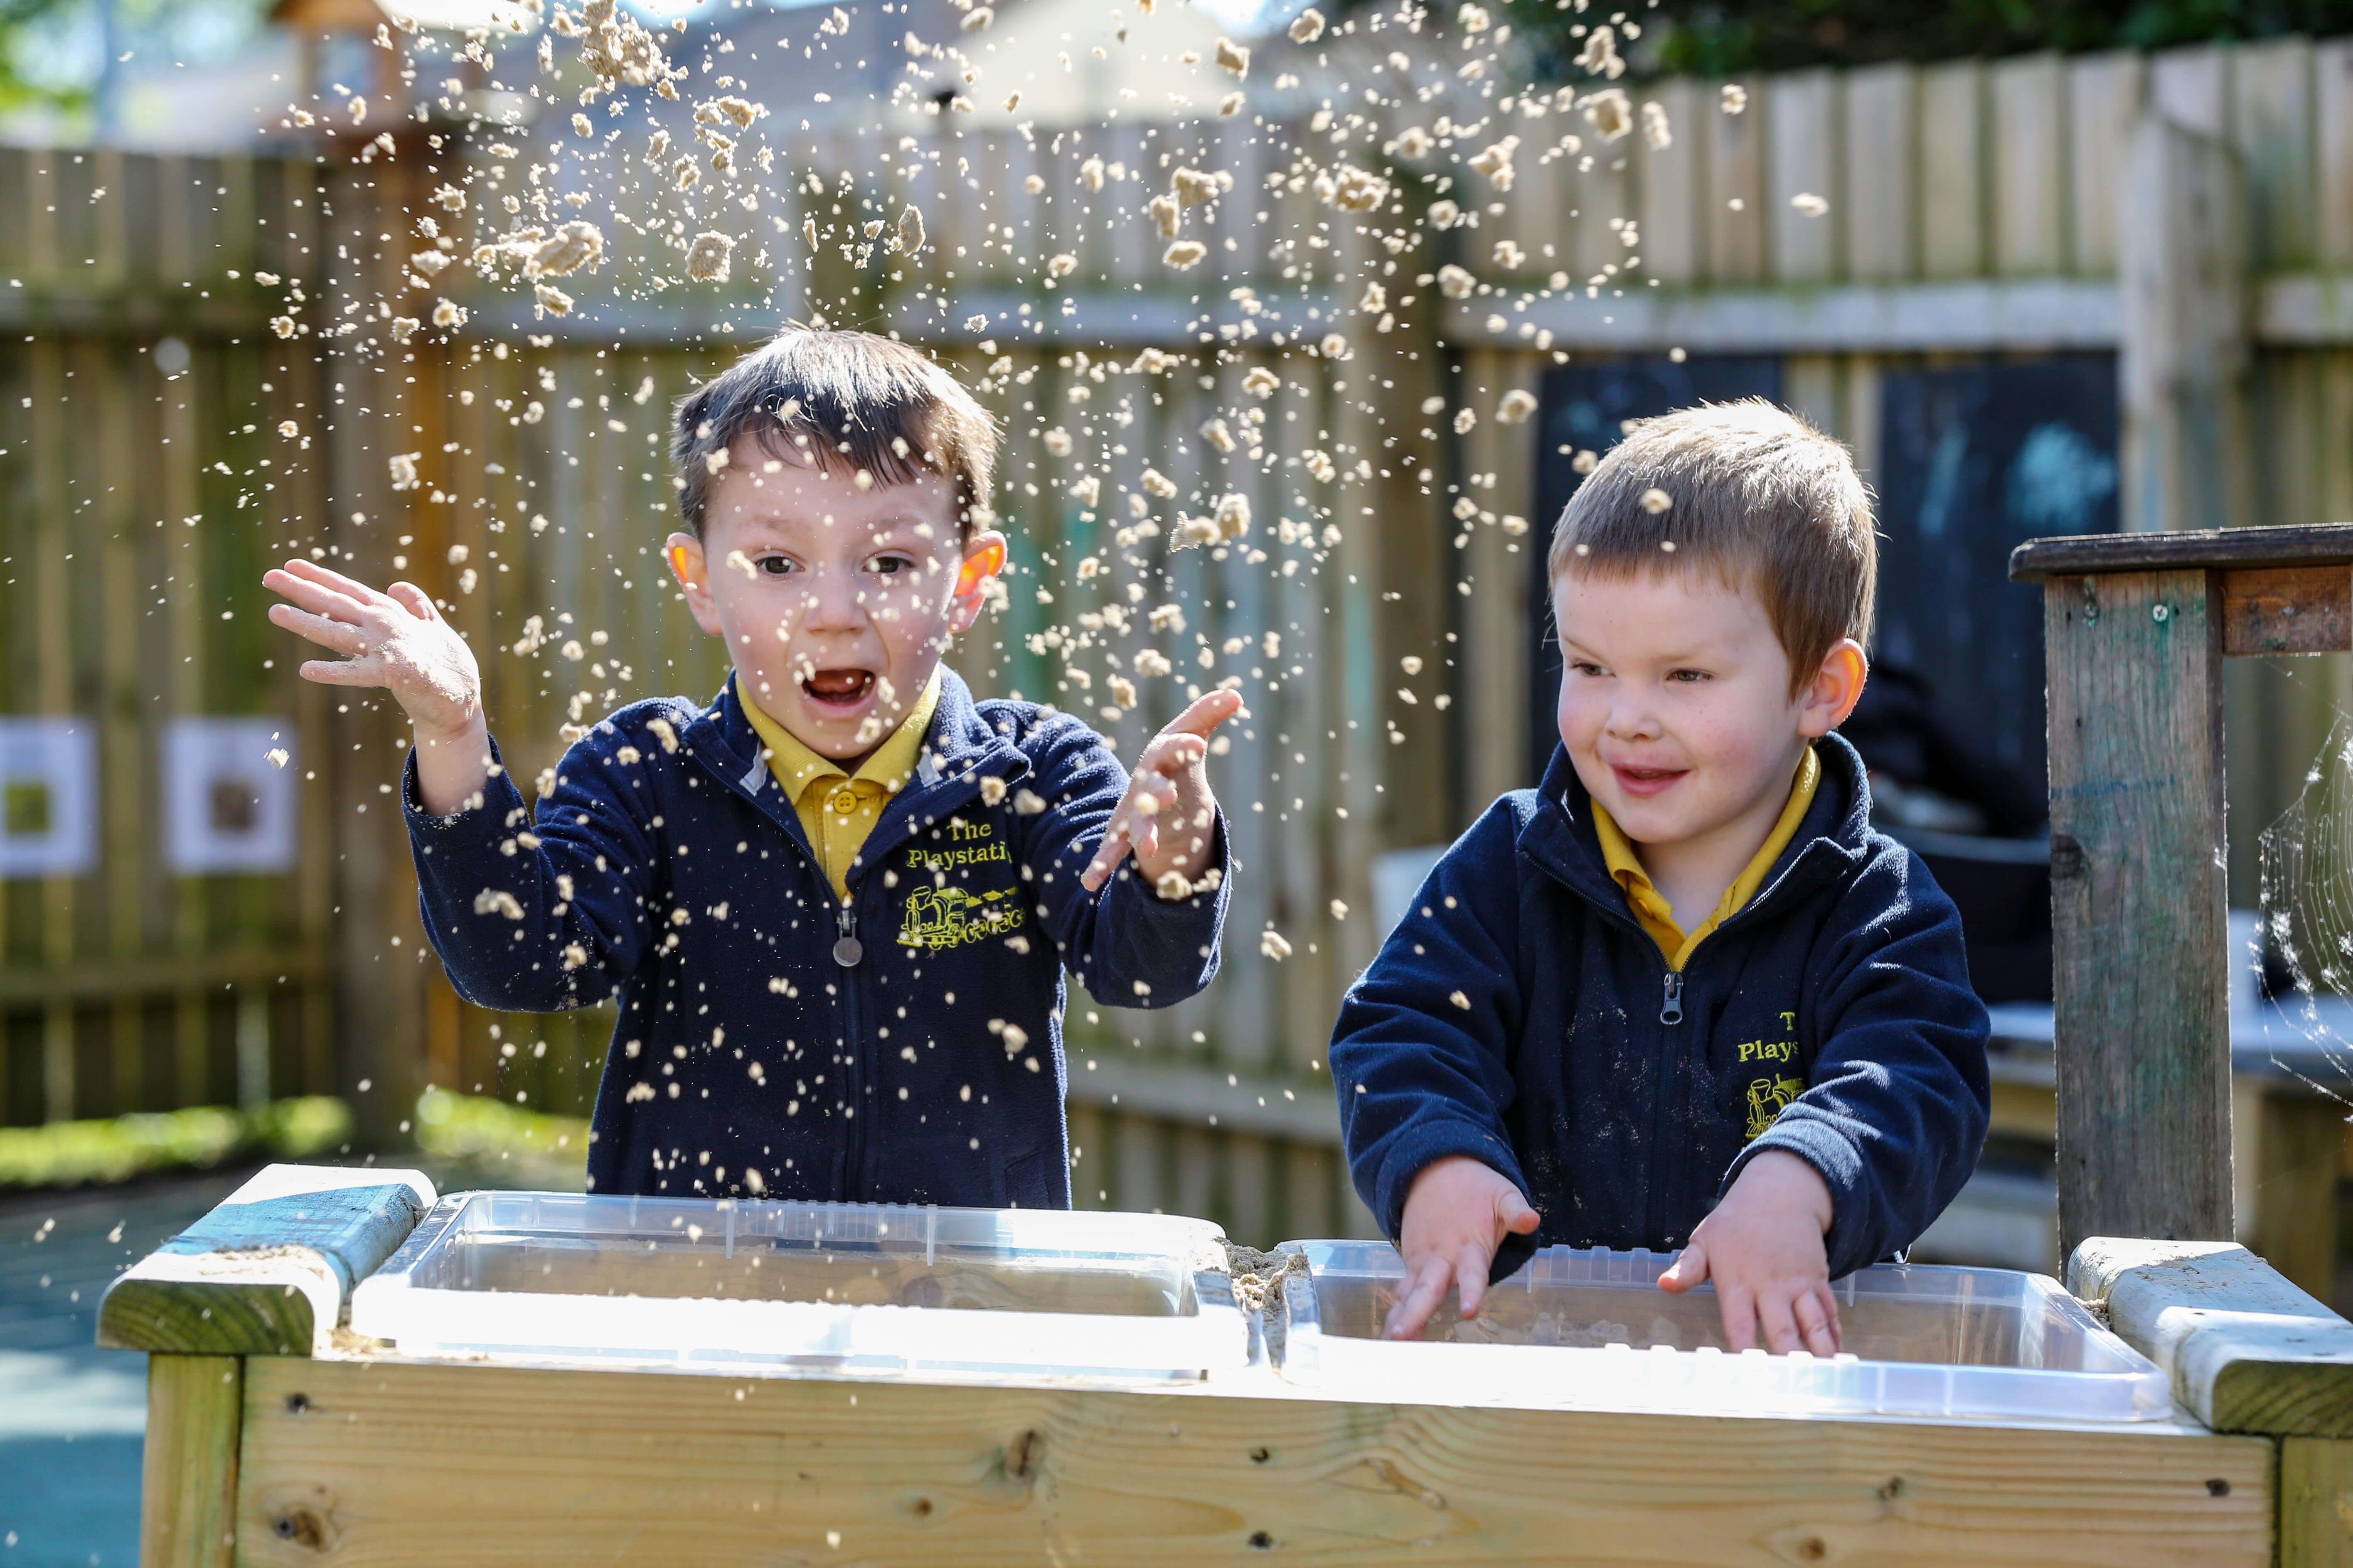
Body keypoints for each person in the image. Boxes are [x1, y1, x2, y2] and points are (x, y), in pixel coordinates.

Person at [263, 327, 1240, 1205]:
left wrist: (1175, 857)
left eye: (890, 563)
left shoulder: (1032, 772)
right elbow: (521, 965)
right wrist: (455, 737)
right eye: (777, 565)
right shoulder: (646, 773)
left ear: (967, 584)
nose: (833, 609)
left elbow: (1140, 972)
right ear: (700, 583)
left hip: (965, 1312)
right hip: (695, 1302)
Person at [1329, 400, 1989, 1354]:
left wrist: (1802, 1176)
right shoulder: (1509, 865)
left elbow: (1919, 1079)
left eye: (1683, 677)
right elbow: (1400, 1029)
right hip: (1524, 1364)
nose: (1626, 718)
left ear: (1820, 690)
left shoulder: (1876, 908)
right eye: (1590, 667)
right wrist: (1436, 1160)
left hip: (1771, 1385)